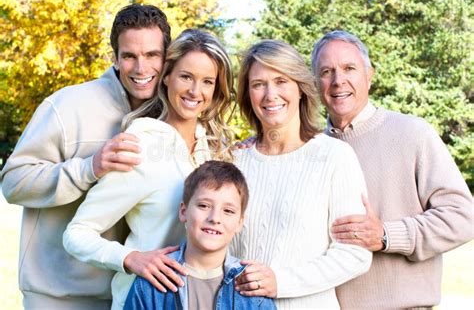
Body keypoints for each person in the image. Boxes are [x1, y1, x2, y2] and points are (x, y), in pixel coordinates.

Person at [0, 4, 171, 309]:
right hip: (59, 297)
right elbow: (14, 182)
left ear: (166, 57)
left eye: (152, 55)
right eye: (130, 55)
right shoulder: (68, 105)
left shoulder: (169, 118)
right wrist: (89, 168)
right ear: (115, 58)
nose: (141, 68)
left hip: (131, 294)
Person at [63, 29, 234, 310]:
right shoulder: (139, 145)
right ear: (166, 77)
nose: (195, 91)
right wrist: (131, 258)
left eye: (207, 81)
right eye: (186, 77)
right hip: (142, 301)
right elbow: (77, 233)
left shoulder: (215, 152)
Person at [311, 30, 474, 309]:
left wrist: (387, 235)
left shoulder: (412, 133)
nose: (338, 81)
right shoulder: (312, 149)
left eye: (349, 68)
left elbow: (463, 216)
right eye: (327, 71)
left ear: (369, 75)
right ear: (315, 83)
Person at [230, 40, 372, 309]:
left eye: (281, 80)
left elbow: (354, 255)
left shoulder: (334, 157)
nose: (270, 94)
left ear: (300, 88)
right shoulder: (234, 161)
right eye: (258, 84)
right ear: (248, 94)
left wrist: (280, 282)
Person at [124, 160, 276, 310]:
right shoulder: (152, 282)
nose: (215, 218)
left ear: (239, 223)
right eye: (204, 206)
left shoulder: (252, 287)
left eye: (228, 211)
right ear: (184, 211)